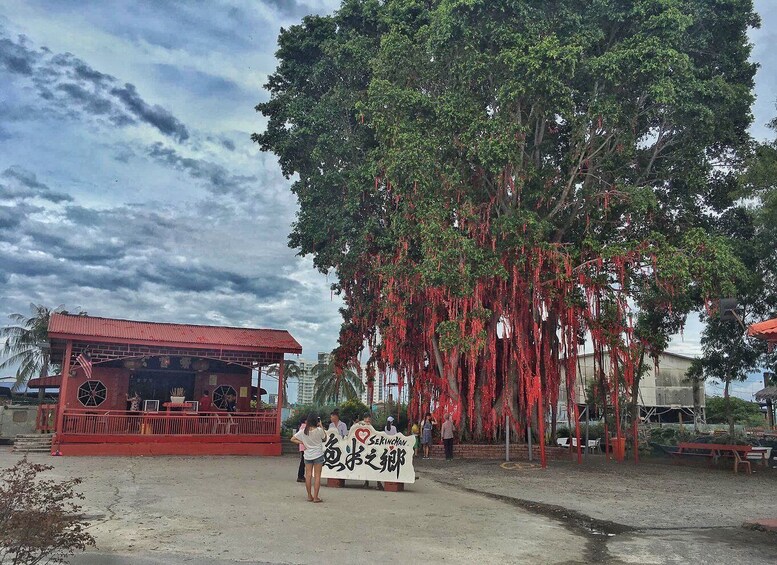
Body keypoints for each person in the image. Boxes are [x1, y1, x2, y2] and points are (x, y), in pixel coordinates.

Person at [290, 413, 327, 503]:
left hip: (307, 455)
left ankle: (309, 496)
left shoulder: (303, 431)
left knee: (308, 475)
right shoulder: (319, 430)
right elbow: (325, 438)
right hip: (318, 454)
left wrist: (302, 443)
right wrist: (321, 426)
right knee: (317, 476)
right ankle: (316, 497)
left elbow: (292, 439)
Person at [296, 418, 306, 483]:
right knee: (303, 462)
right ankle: (300, 476)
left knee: (303, 461)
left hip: (302, 446)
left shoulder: (301, 426)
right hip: (305, 446)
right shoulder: (305, 427)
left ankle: (301, 476)